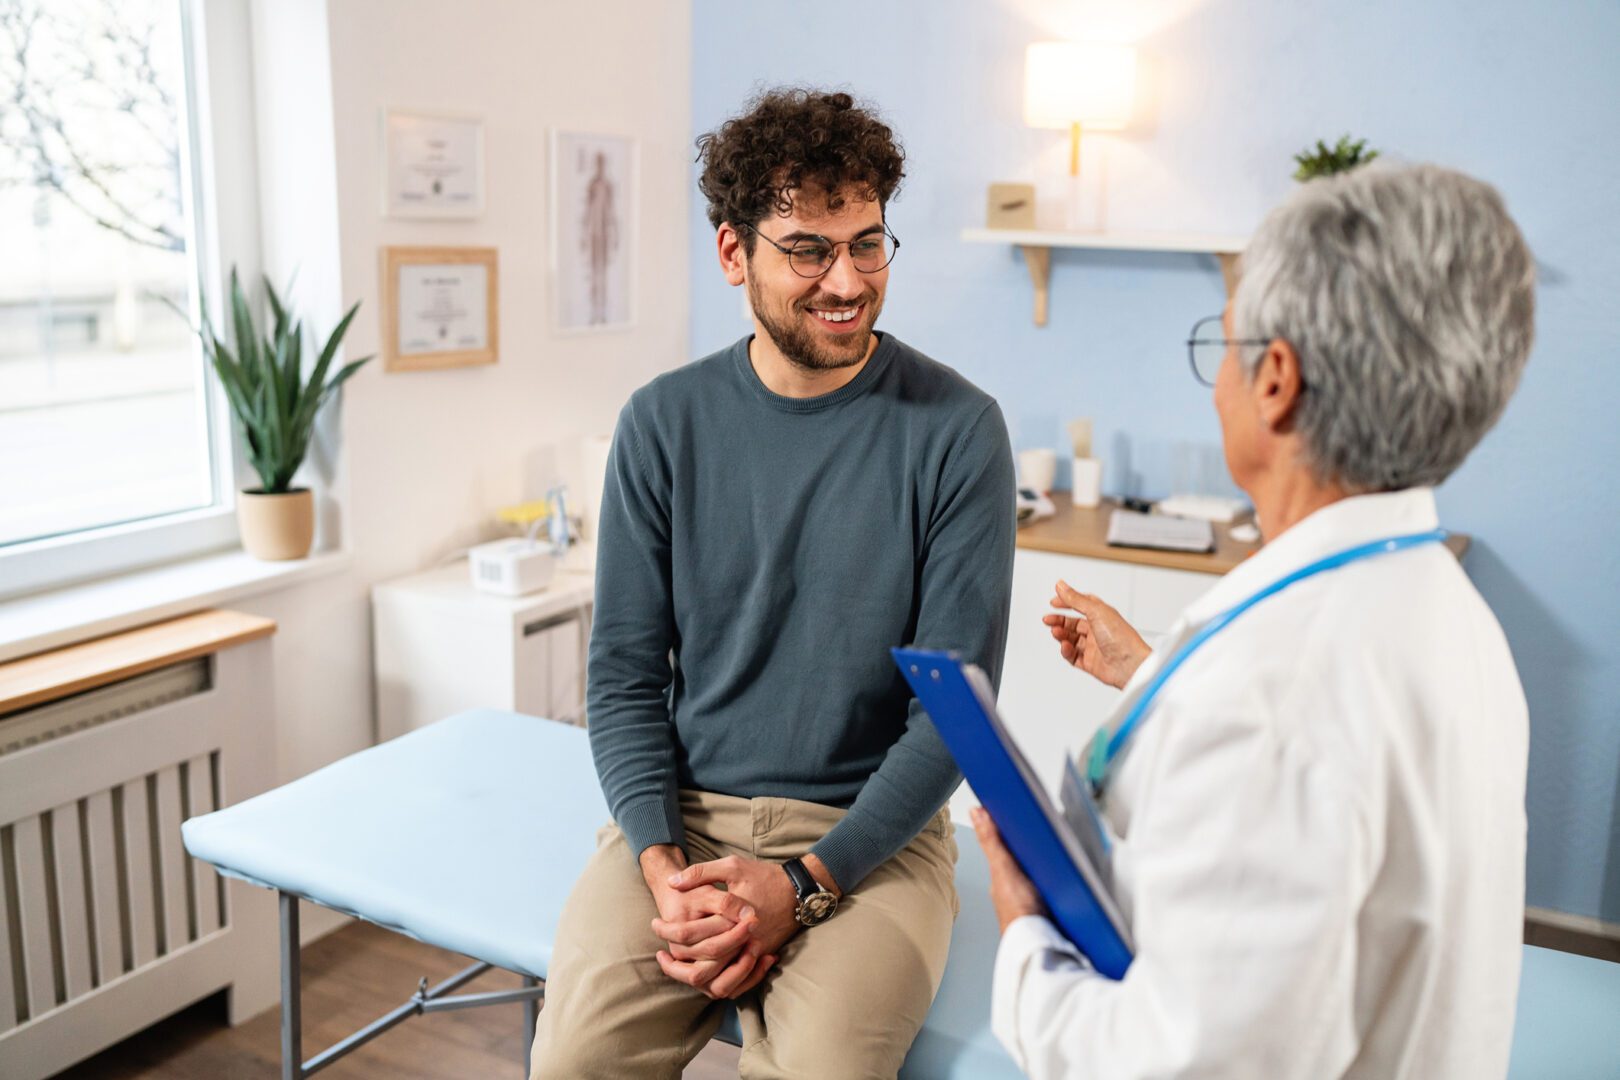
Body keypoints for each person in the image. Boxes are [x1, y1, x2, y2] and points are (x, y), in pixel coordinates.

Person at [974, 162, 1536, 1079]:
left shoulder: (1275, 695)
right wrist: (1153, 674)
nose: (1216, 382)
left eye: (1223, 345)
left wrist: (1026, 941)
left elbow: (1172, 1063)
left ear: (1276, 379)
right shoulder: (1442, 606)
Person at [529, 87, 1016, 1079]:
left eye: (868, 244)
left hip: (867, 843)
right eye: (808, 248)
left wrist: (805, 884)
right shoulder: (663, 424)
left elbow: (953, 715)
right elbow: (623, 674)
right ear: (732, 253)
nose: (846, 279)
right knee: (573, 1064)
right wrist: (663, 866)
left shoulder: (958, 432)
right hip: (686, 822)